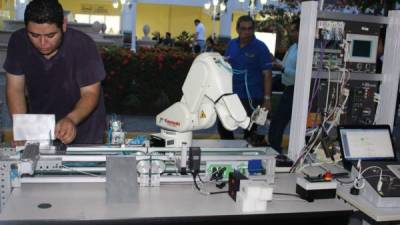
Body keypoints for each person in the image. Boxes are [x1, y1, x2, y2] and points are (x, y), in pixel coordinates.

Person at [4, 0, 106, 145]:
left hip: (86, 132)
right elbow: (15, 90)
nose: (42, 43)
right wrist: (21, 129)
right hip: (40, 131)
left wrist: (71, 119)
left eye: (50, 36)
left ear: (63, 25)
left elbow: (90, 93)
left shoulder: (83, 45)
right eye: (34, 35)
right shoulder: (18, 42)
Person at [218, 15, 273, 141]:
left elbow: (267, 74)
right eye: (243, 29)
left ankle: (249, 157)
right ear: (237, 29)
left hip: (253, 98)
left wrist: (267, 99)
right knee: (223, 124)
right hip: (232, 96)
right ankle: (229, 152)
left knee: (250, 131)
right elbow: (225, 66)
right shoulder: (232, 44)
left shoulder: (261, 47)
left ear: (253, 30)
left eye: (249, 29)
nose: (246, 32)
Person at [268, 18, 300, 154]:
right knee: (277, 122)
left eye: (294, 31)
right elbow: (286, 66)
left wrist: (281, 68)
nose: (291, 33)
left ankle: (275, 151)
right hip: (288, 88)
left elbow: (299, 75)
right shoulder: (294, 47)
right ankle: (274, 149)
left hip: (295, 90)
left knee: (278, 122)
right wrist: (276, 61)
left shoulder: (304, 50)